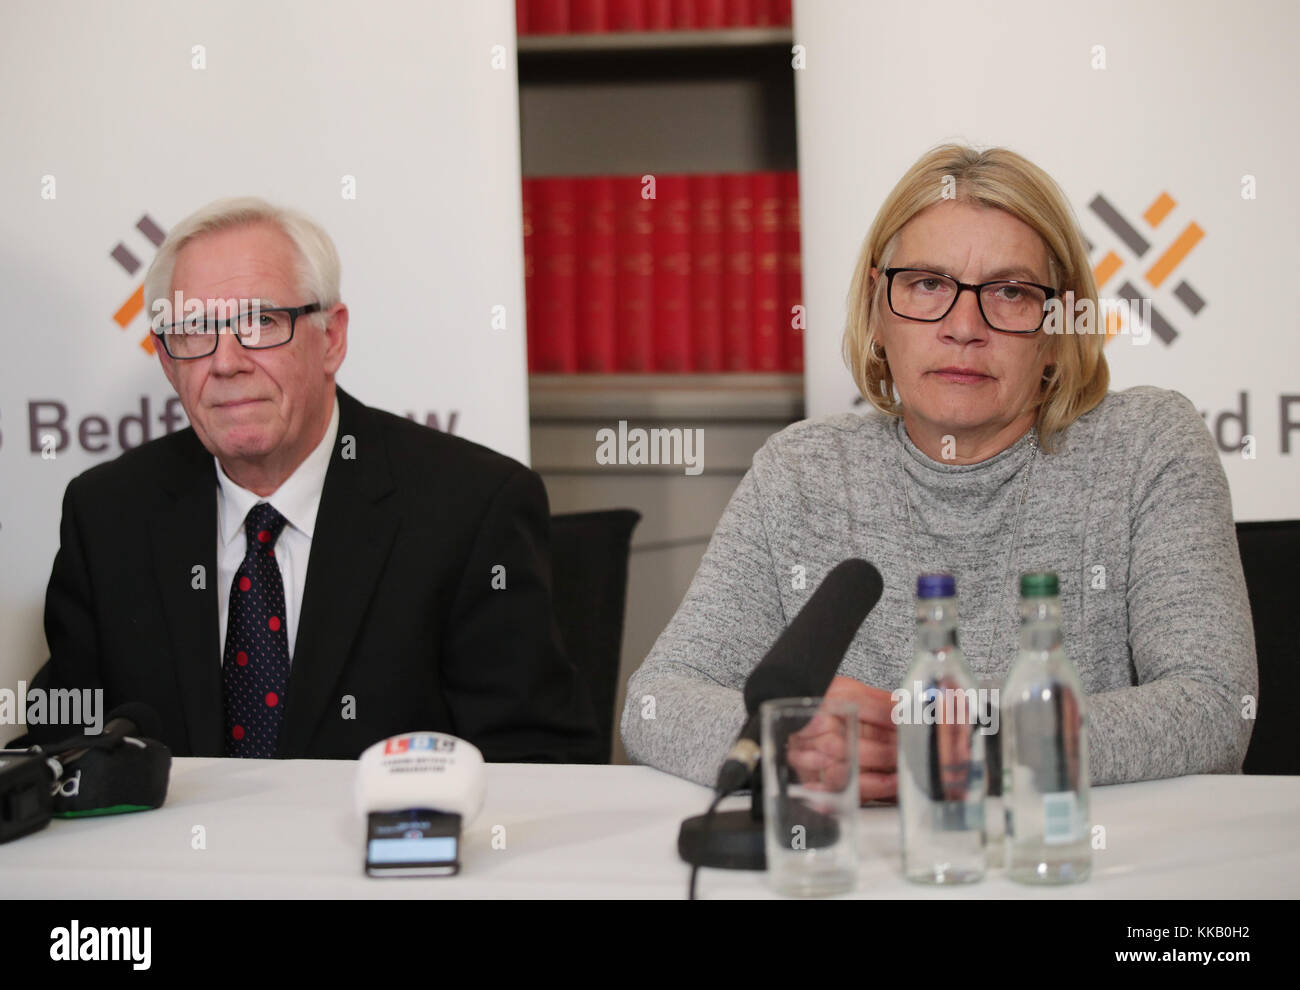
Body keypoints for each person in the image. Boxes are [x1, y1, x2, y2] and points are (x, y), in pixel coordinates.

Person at [621, 144, 1257, 798]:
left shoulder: (1147, 446)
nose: (963, 327)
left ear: (1057, 326)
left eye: (1010, 292)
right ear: (876, 309)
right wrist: (792, 741)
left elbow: (1210, 708)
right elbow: (656, 702)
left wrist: (946, 742)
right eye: (928, 284)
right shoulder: (802, 470)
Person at [12, 197, 600, 762]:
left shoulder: (471, 508)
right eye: (194, 331)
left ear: (331, 338)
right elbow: (60, 745)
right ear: (168, 362)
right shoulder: (110, 514)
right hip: (173, 863)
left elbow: (537, 762)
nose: (225, 362)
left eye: (260, 322)